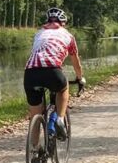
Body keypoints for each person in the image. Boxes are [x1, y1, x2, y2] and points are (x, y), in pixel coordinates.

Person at [25, 7, 85, 141]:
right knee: (63, 89)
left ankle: (35, 150)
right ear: (63, 23)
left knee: (35, 114)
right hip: (52, 71)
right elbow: (76, 63)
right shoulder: (68, 36)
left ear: (47, 21)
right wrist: (80, 78)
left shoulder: (39, 33)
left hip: (30, 73)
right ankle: (60, 119)